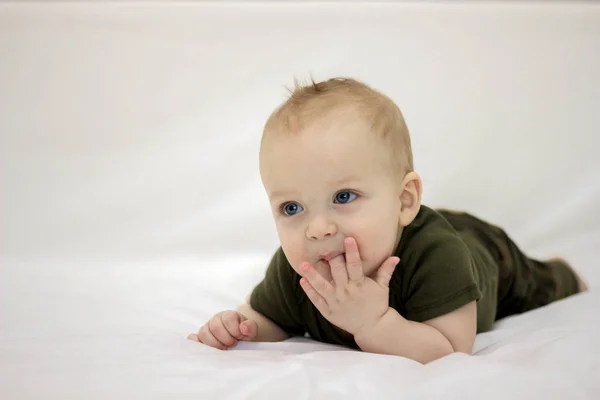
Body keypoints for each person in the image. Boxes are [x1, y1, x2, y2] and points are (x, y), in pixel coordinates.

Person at [187, 77, 588, 364]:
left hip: (484, 253)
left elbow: (449, 350)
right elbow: (270, 317)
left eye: (343, 197)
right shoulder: (301, 267)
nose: (317, 228)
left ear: (405, 200)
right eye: (292, 208)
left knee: (540, 285)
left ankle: (565, 272)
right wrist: (240, 325)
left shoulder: (438, 256)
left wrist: (373, 323)